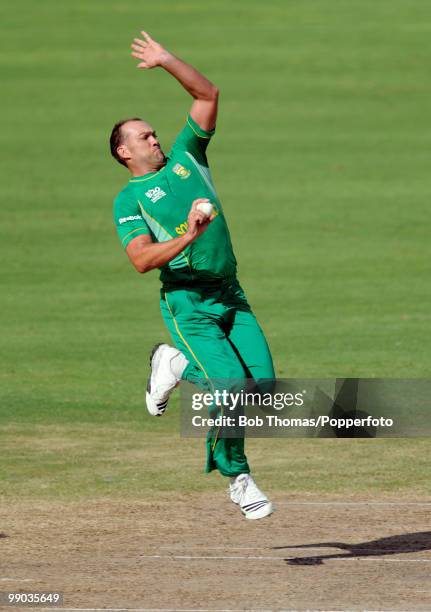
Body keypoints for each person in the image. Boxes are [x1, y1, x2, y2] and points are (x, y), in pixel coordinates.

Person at [111, 31, 275, 520]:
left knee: (262, 390)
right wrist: (189, 234)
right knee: (229, 387)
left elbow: (207, 95)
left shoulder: (188, 157)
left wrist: (166, 60)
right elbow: (141, 260)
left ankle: (175, 365)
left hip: (231, 294)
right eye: (143, 136)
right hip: (188, 302)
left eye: (154, 132)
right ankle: (238, 478)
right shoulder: (130, 200)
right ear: (124, 153)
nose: (155, 138)